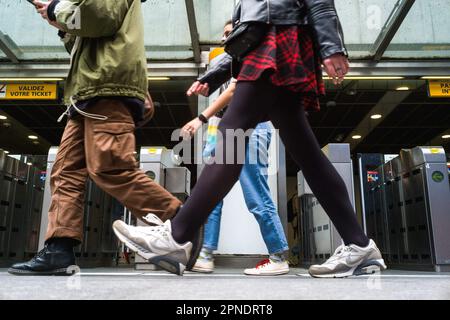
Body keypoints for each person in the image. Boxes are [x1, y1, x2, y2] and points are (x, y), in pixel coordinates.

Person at [113, 0, 388, 278]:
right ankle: (358, 244)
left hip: (279, 40)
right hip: (270, 42)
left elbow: (317, 4)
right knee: (307, 155)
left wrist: (332, 47)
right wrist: (216, 73)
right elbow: (246, 32)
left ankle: (177, 236)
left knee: (232, 134)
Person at [8, 0, 200, 276]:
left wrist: (56, 10)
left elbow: (98, 17)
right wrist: (61, 25)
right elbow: (86, 39)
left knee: (111, 167)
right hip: (88, 91)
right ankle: (59, 248)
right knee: (65, 171)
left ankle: (183, 222)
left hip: (106, 86)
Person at [181, 21, 289, 276]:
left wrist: (201, 118)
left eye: (231, 33)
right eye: (225, 34)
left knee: (255, 193)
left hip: (252, 128)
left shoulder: (249, 56)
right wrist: (211, 138)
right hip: (225, 128)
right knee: (211, 194)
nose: (226, 38)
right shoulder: (227, 60)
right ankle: (206, 254)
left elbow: (232, 90)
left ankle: (278, 255)